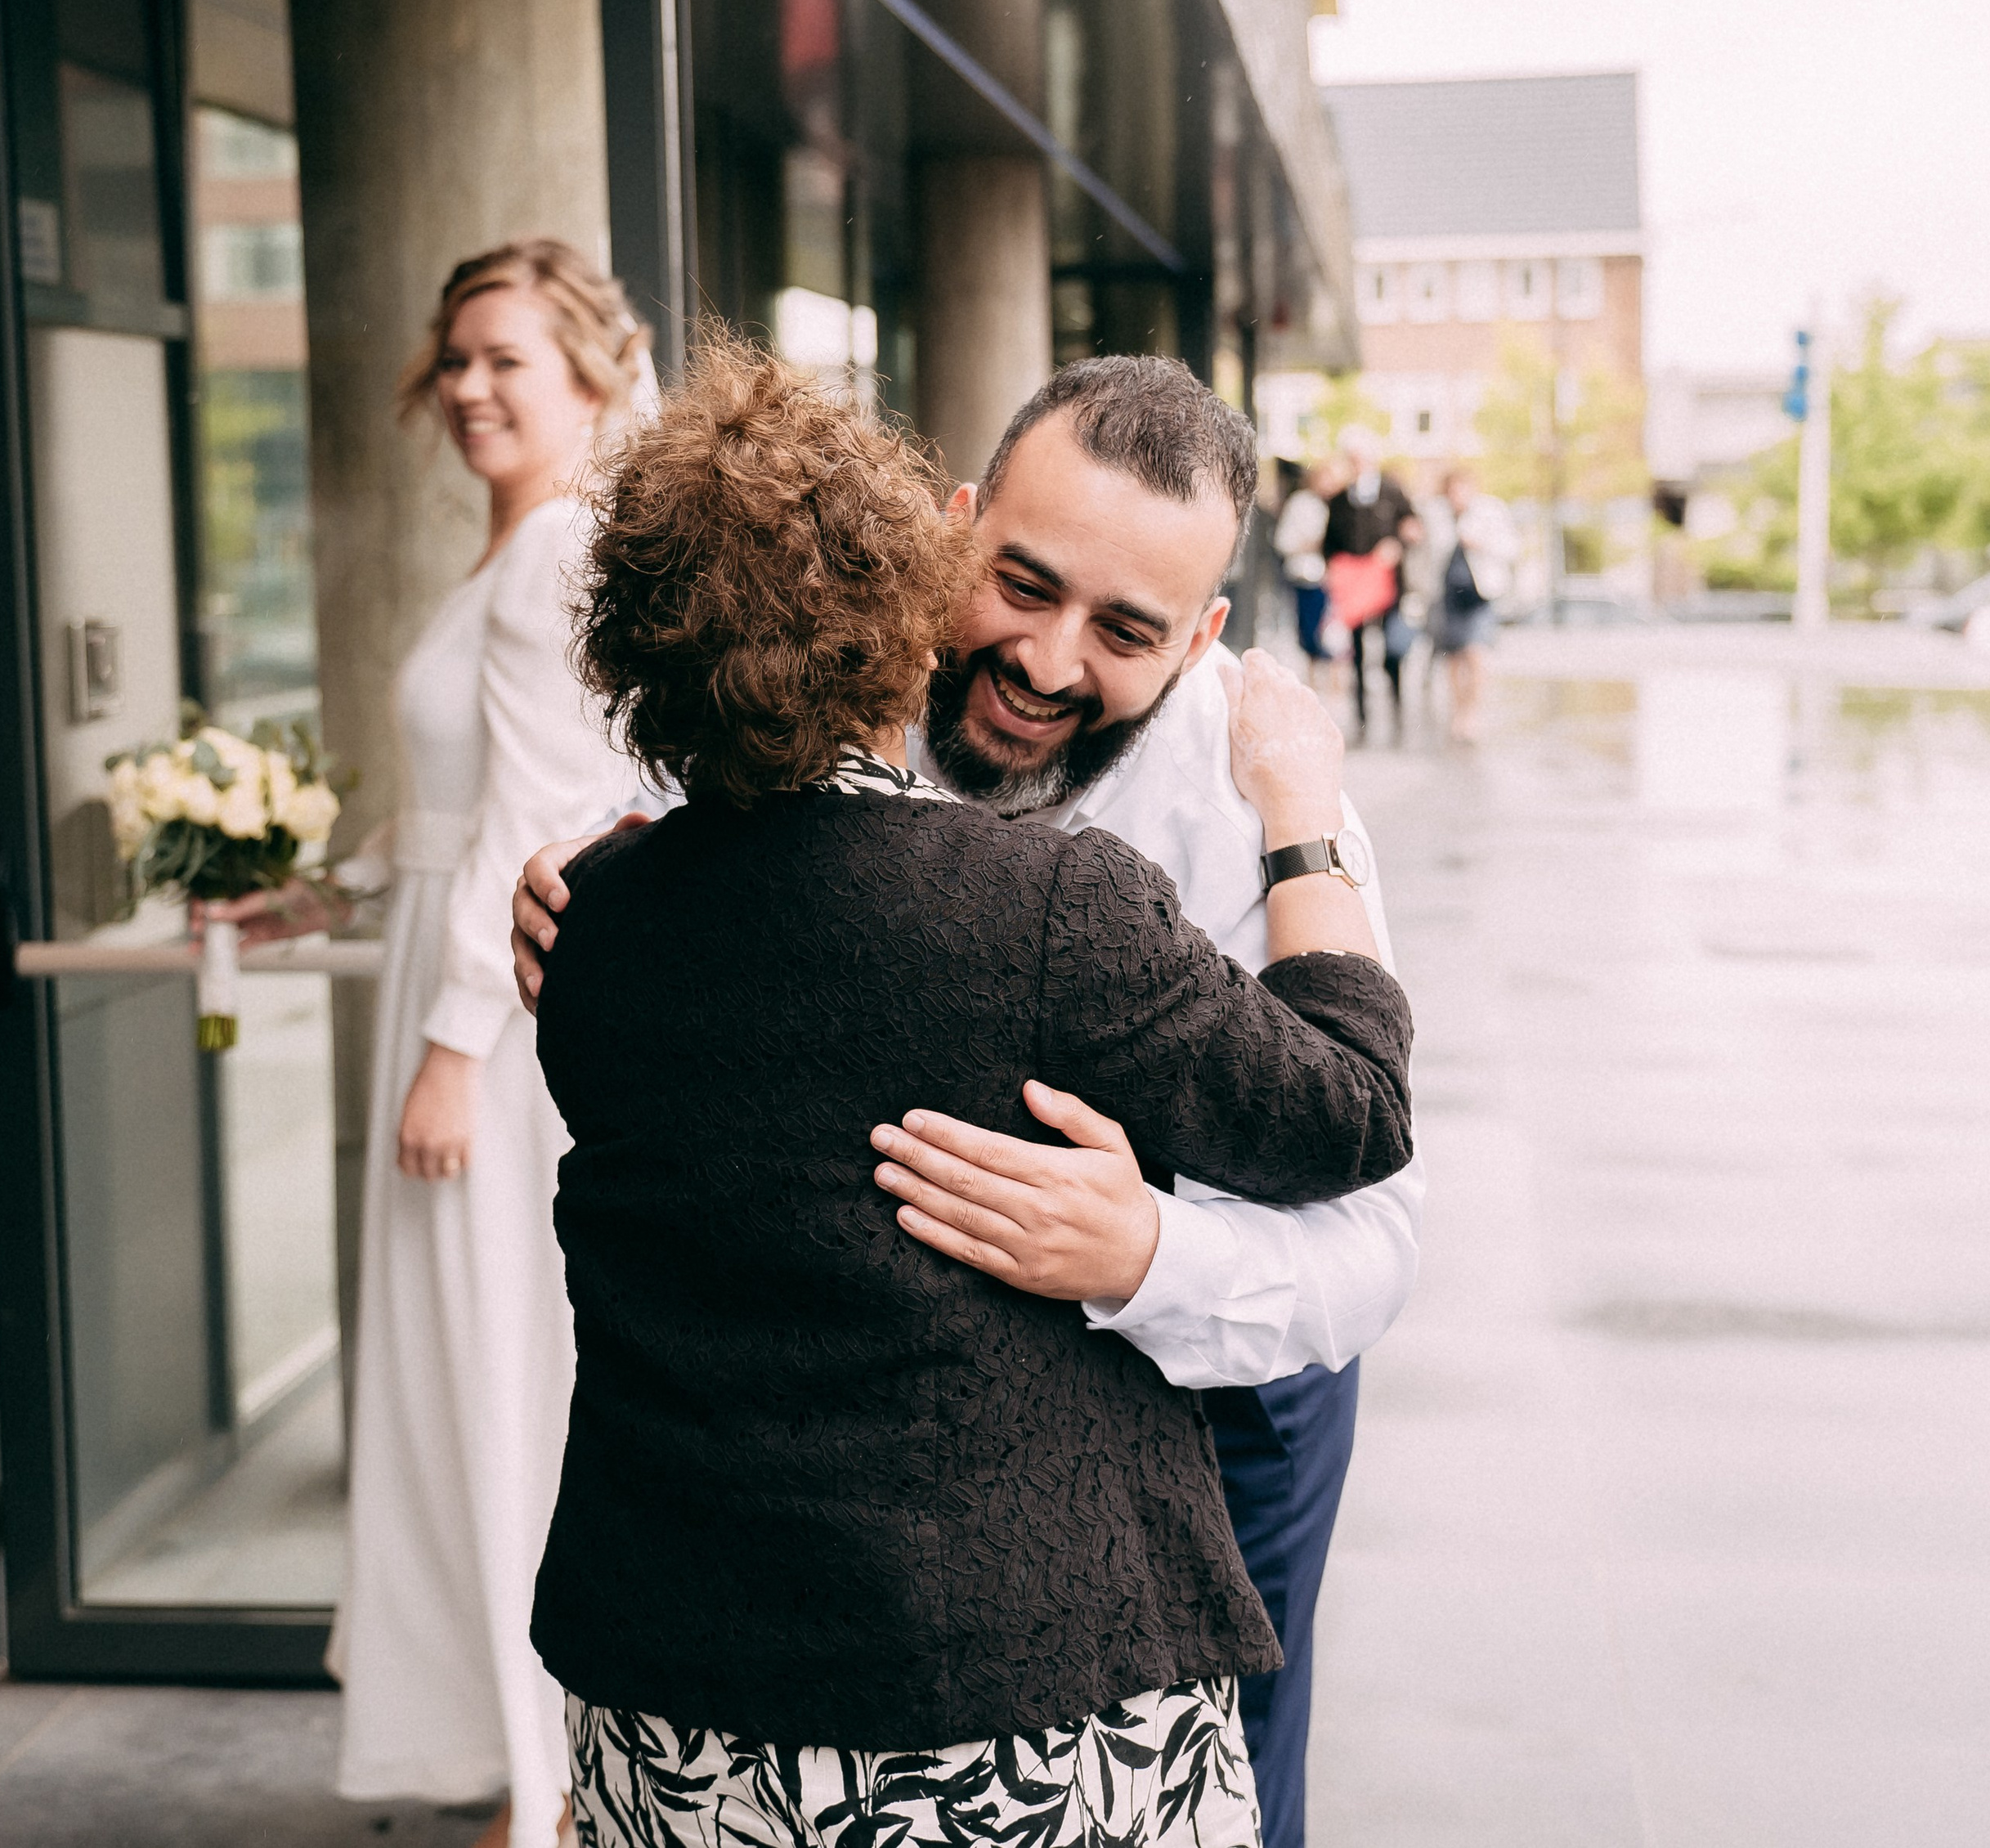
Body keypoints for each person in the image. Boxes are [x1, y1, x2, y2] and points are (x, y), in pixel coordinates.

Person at [513, 354, 1424, 1848]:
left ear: (1201, 639)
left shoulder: (1272, 809)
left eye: (1125, 631)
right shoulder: (797, 697)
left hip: (1223, 1394)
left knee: (1246, 1779)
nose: (1052, 662)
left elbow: (1372, 1212)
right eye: (1022, 584)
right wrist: (565, 909)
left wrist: (1146, 1259)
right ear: (951, 531)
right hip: (805, 1505)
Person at [226, 241, 652, 1848]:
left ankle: (545, 1780)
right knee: (460, 1367)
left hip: (489, 1014)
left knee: (498, 1367)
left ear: (592, 379)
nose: (470, 384)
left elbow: (537, 822)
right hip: (443, 967)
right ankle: (514, 1744)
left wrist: (456, 1046)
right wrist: (312, 888)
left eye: (508, 359)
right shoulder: (513, 546)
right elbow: (456, 811)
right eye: (455, 356)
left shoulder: (555, 551)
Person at [1322, 447, 1422, 742]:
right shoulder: (1340, 500)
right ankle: (1362, 717)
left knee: (1392, 649)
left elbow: (1413, 529)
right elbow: (1330, 543)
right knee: (1357, 653)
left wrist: (1397, 546)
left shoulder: (1392, 493)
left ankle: (1397, 709)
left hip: (1388, 585)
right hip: (1354, 589)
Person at [1425, 466, 1517, 744]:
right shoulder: (1437, 516)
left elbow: (1511, 547)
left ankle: (1472, 713)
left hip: (1480, 594)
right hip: (1448, 595)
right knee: (1453, 658)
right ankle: (1458, 712)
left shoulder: (1490, 511)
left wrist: (1481, 543)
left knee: (1477, 655)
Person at [1272, 455, 1343, 680]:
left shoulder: (1338, 505)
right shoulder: (1302, 504)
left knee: (1335, 632)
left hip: (1335, 577)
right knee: (1311, 632)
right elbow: (1284, 541)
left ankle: (1333, 682)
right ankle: (1314, 679)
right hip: (1307, 576)